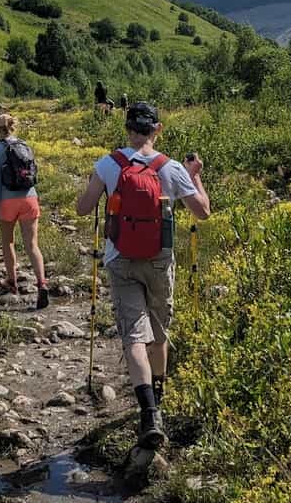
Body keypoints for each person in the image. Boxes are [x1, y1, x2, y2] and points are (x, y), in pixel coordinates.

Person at [76, 101, 210, 449]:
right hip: (159, 259)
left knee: (134, 336)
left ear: (127, 128)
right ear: (157, 129)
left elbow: (82, 208)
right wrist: (195, 176)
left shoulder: (109, 163)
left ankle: (148, 413)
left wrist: (97, 182)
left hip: (120, 258)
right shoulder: (172, 167)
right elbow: (203, 212)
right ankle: (160, 399)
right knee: (158, 332)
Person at [0, 114, 49, 310]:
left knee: (8, 242)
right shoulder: (25, 145)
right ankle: (42, 283)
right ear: (13, 127)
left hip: (8, 200)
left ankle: (12, 282)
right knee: (32, 244)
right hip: (30, 198)